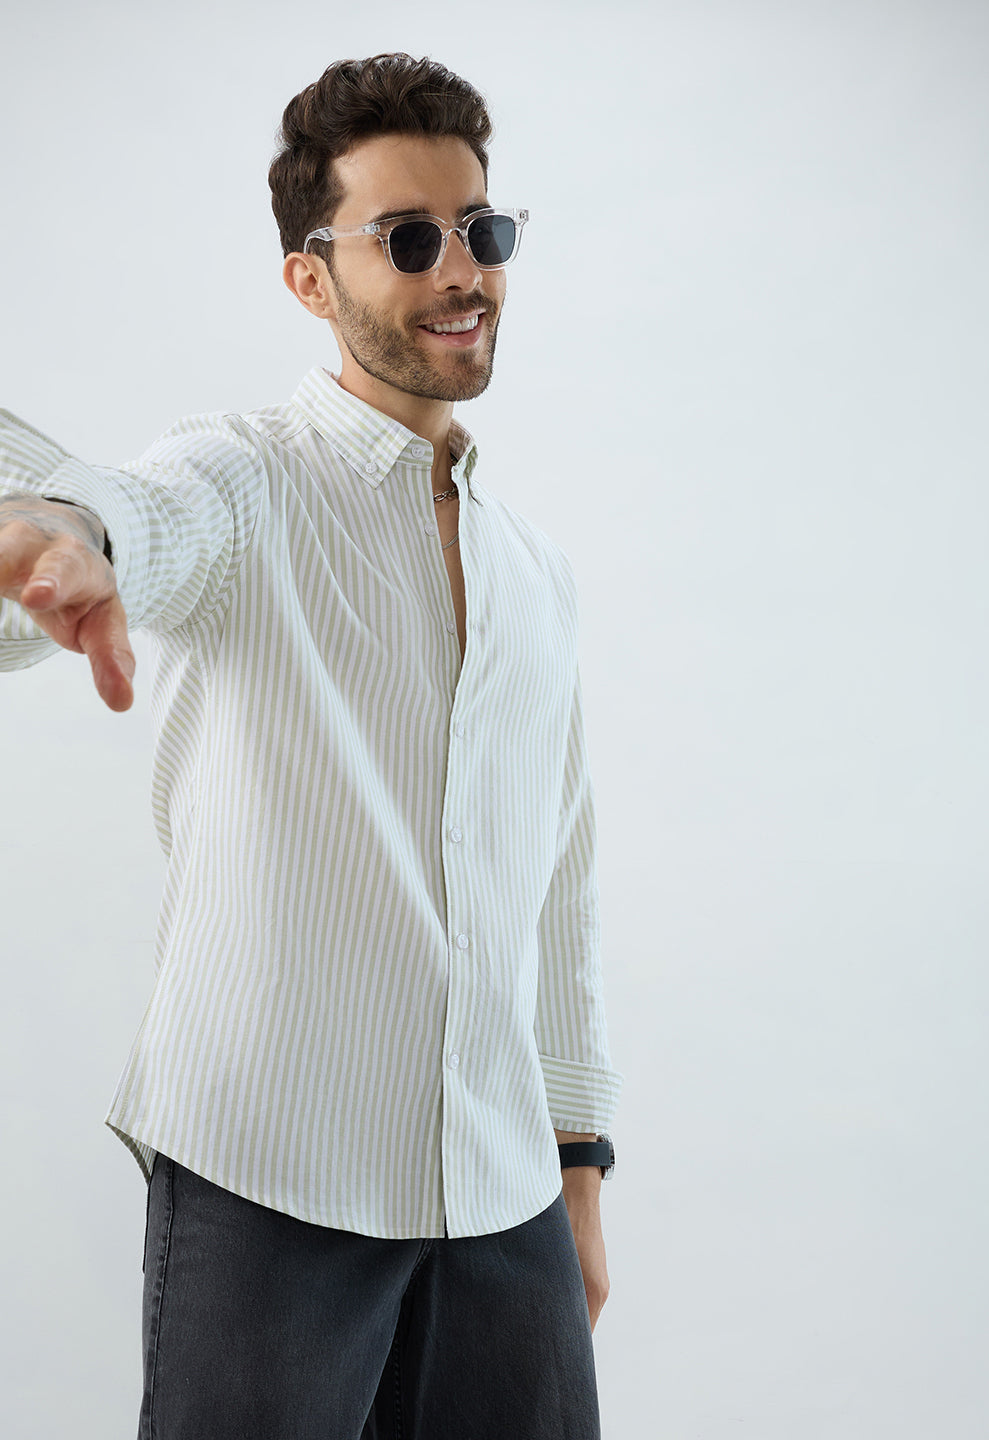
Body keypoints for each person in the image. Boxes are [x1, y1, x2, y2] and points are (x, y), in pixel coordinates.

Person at [0, 54, 620, 1440]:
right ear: (308, 278)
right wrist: (62, 540)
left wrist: (577, 1168)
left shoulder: (535, 571)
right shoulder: (247, 478)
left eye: (483, 230)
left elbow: (558, 876)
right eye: (410, 239)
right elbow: (131, 512)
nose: (464, 271)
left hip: (501, 1192)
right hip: (274, 1182)